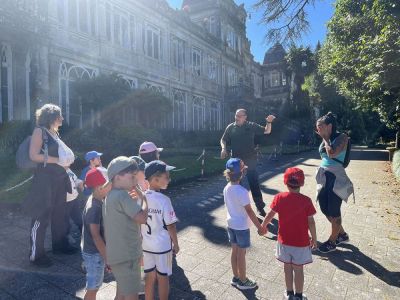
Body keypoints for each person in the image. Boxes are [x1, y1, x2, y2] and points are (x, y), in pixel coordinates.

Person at [26, 103, 77, 267]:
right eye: (60, 115)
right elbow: (33, 155)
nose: (62, 118)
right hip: (45, 181)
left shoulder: (54, 133)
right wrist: (57, 160)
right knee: (41, 216)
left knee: (60, 214)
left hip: (59, 179)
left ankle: (59, 245)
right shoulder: (39, 131)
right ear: (52, 117)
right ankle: (36, 254)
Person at [261, 167, 317, 300]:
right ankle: (298, 295)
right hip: (301, 243)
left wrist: (263, 226)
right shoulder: (306, 201)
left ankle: (289, 293)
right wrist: (314, 238)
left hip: (284, 241)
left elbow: (270, 214)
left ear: (285, 182)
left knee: (287, 268)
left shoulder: (279, 197)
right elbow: (311, 222)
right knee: (298, 269)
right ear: (302, 183)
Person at [103, 156, 148, 300]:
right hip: (128, 256)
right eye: (132, 176)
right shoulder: (123, 196)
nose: (135, 180)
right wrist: (144, 199)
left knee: (121, 294)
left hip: (117, 255)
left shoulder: (110, 196)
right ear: (118, 177)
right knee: (131, 295)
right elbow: (143, 218)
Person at [221, 109, 276, 216]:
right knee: (236, 186)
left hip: (250, 160)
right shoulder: (231, 127)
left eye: (239, 116)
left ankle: (260, 207)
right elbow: (223, 139)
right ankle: (240, 209)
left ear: (245, 117)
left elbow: (267, 131)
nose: (236, 117)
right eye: (236, 115)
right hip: (236, 162)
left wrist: (268, 122)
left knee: (254, 184)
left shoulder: (251, 125)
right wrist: (223, 148)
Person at [223, 158, 267, 290]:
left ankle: (235, 277)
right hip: (241, 227)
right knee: (242, 253)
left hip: (231, 224)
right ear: (242, 173)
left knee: (234, 251)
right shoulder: (242, 192)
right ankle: (243, 280)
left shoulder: (226, 188)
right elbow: (250, 211)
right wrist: (260, 227)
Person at [315, 112, 354, 253]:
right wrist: (325, 137)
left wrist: (325, 138)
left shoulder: (342, 137)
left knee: (334, 210)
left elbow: (332, 153)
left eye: (320, 126)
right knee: (324, 208)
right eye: (317, 127)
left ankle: (332, 241)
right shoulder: (327, 138)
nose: (318, 129)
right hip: (325, 177)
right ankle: (342, 235)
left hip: (336, 179)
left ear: (329, 126)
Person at [141, 160, 179, 300]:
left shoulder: (141, 197)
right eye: (167, 176)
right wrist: (176, 243)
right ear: (156, 179)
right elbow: (171, 225)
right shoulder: (164, 200)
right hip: (162, 246)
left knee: (149, 277)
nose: (169, 179)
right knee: (163, 277)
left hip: (146, 246)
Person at [81, 168, 111, 300]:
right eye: (108, 185)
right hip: (95, 254)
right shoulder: (95, 208)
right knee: (94, 286)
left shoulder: (95, 200)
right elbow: (96, 235)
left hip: (92, 251)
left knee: (94, 283)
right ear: (99, 188)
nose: (111, 187)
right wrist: (107, 258)